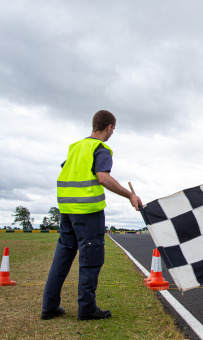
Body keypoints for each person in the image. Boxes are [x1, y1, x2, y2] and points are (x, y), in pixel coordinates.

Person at [41, 110, 142, 321]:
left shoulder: (76, 147)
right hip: (88, 211)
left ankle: (49, 306)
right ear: (109, 127)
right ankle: (87, 308)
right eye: (113, 129)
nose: (112, 132)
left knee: (62, 257)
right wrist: (130, 196)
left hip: (67, 210)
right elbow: (103, 177)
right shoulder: (101, 148)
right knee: (91, 259)